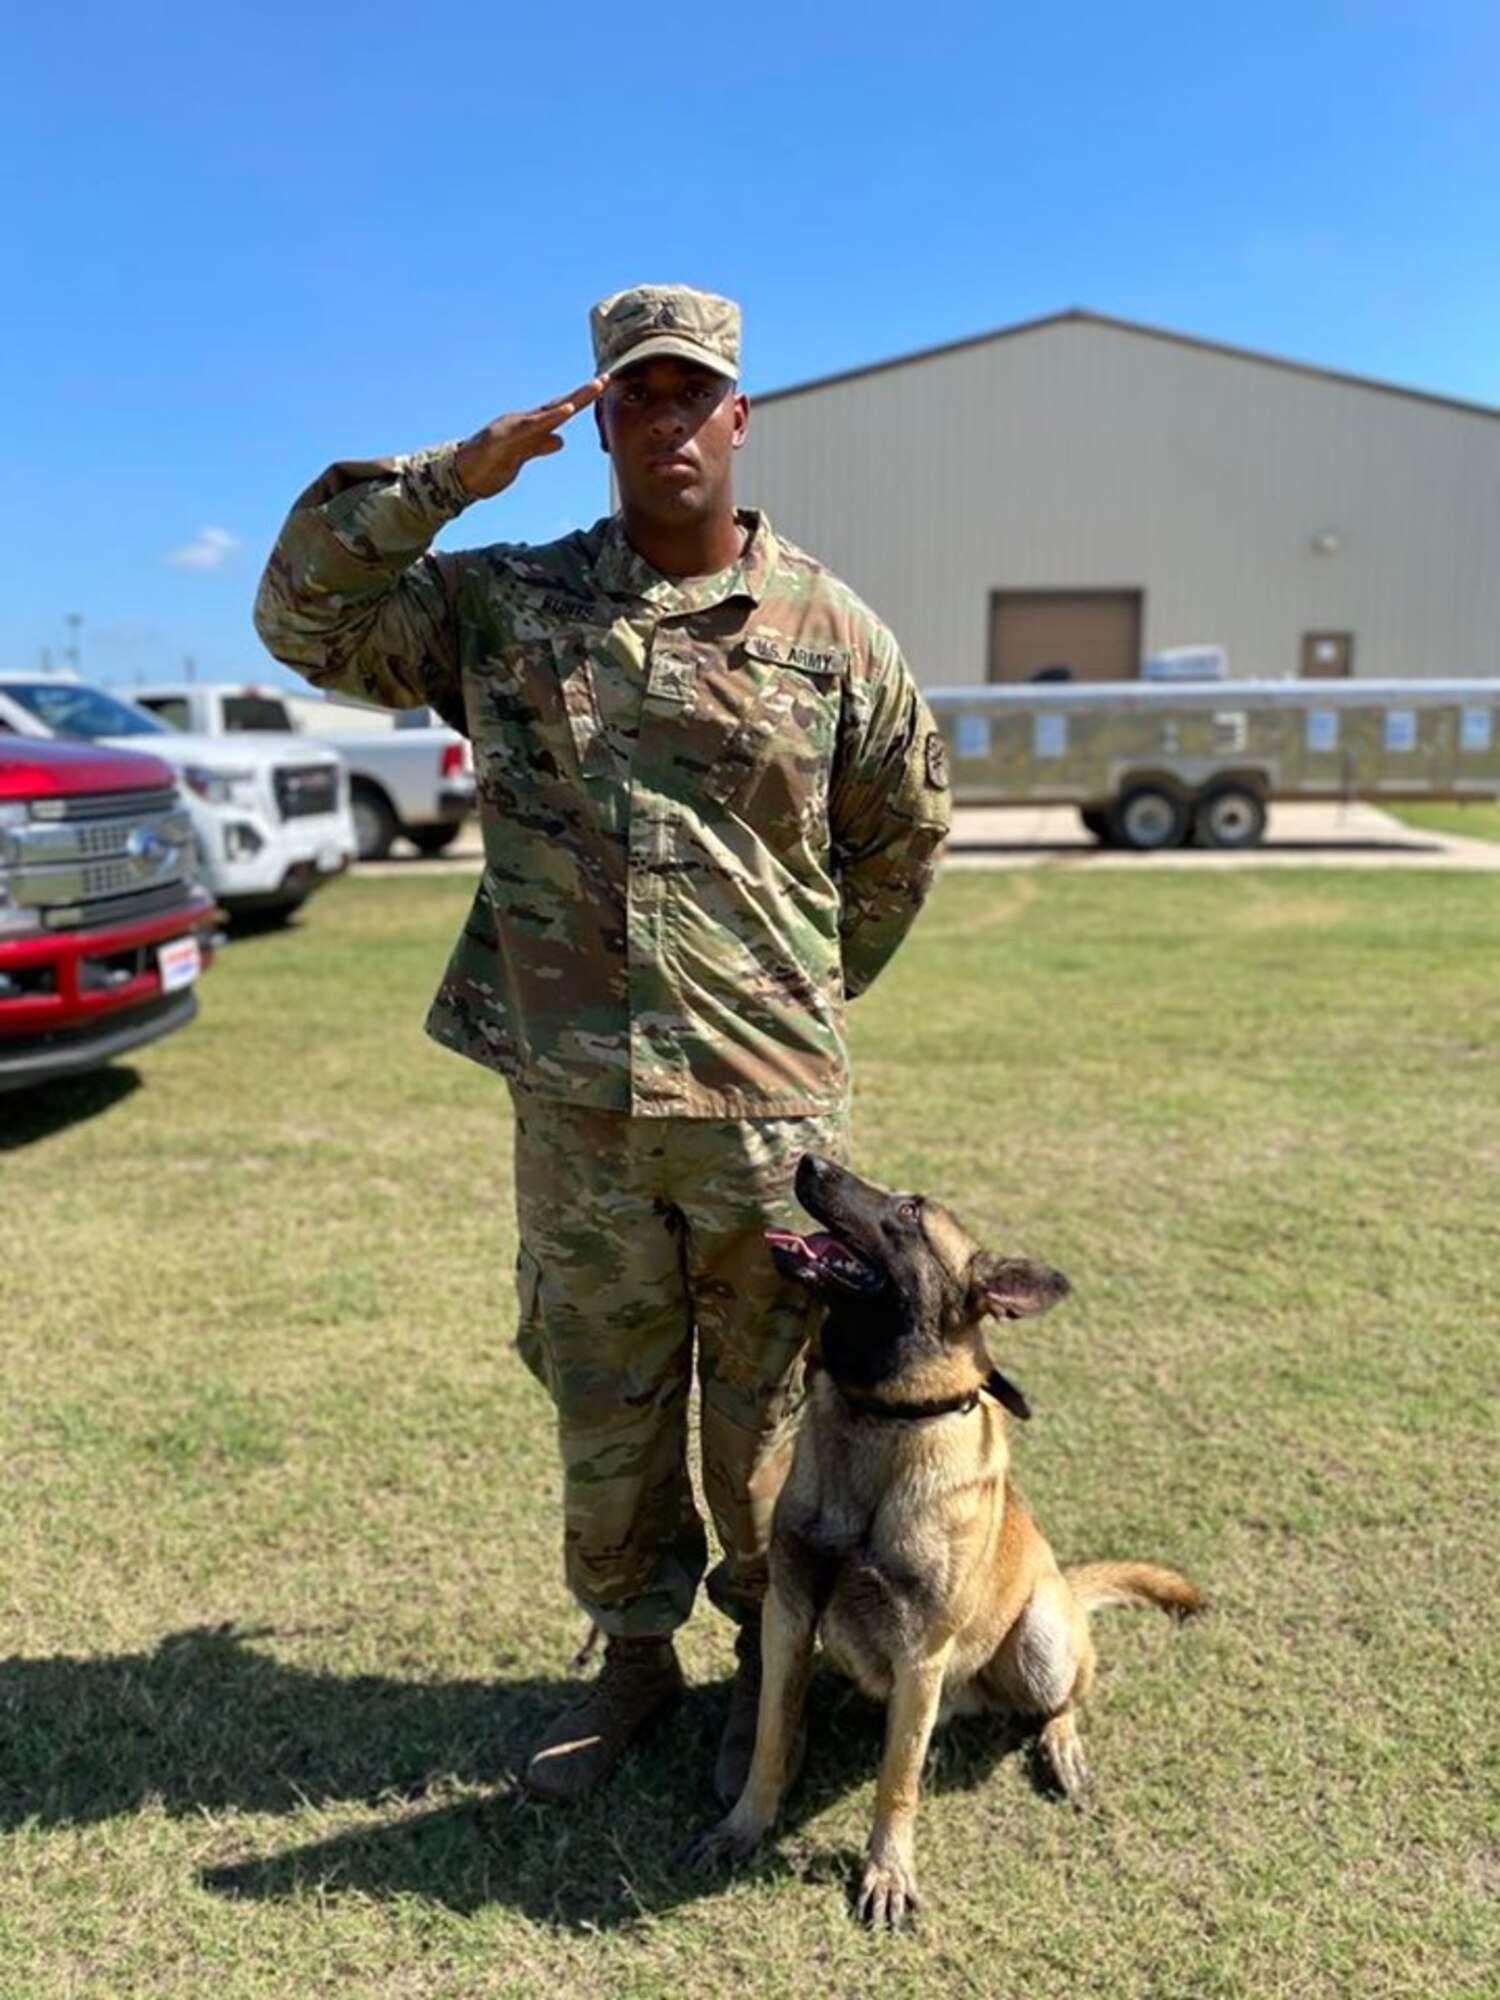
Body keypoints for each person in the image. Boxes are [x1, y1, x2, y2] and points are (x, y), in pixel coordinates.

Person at [254, 283, 951, 1805]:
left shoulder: (833, 633)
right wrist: (446, 480)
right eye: (635, 395)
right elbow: (303, 614)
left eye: (692, 393)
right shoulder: (507, 604)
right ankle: (634, 1661)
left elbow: (902, 835)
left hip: (767, 1122)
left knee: (764, 1413)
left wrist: (800, 996)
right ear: (601, 421)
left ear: (740, 417)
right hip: (578, 1107)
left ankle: (768, 1666)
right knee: (603, 1398)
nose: (666, 421)